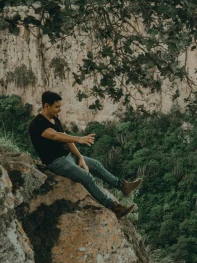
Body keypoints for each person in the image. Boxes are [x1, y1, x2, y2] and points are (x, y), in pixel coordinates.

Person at [29, 90, 142, 220]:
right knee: (86, 177)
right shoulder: (37, 124)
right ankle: (115, 208)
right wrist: (79, 139)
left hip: (68, 156)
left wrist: (80, 157)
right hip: (56, 162)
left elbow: (66, 138)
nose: (59, 110)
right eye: (57, 107)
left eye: (60, 106)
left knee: (96, 165)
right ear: (46, 106)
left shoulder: (55, 119)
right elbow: (55, 135)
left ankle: (123, 186)